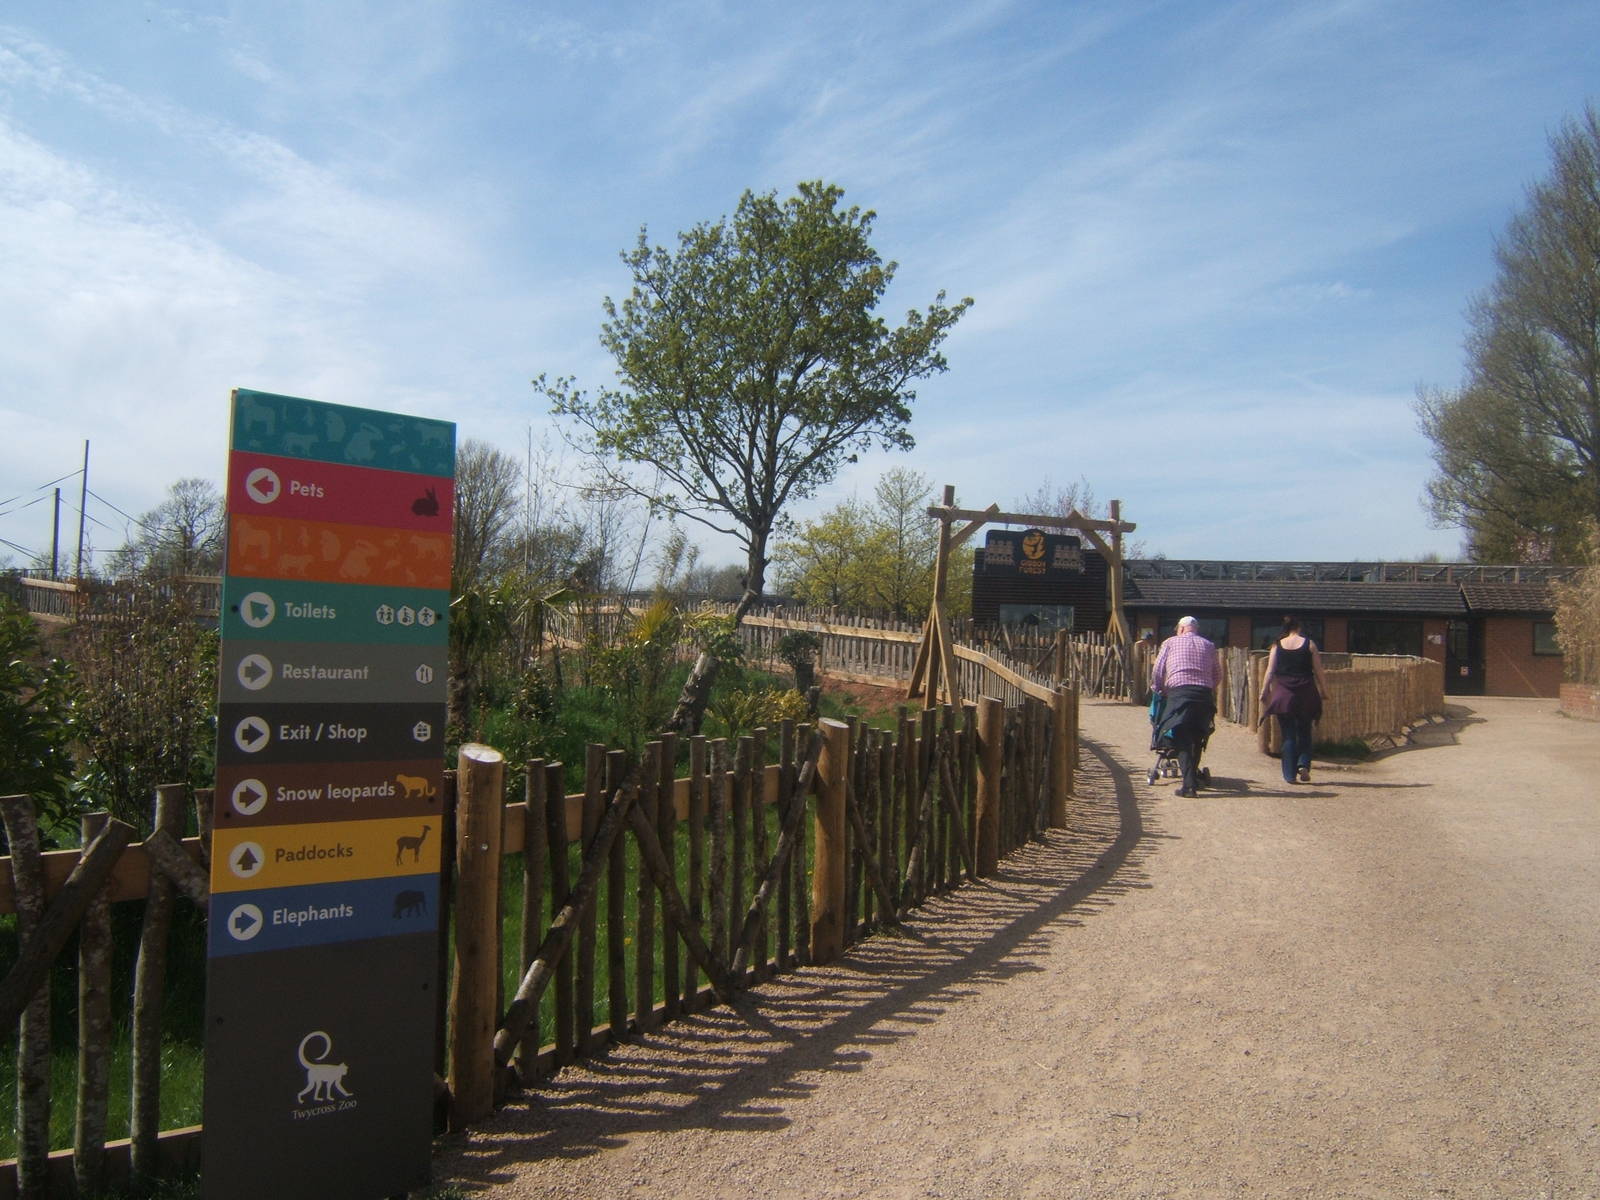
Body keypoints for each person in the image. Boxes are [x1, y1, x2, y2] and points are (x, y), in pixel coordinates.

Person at [1150, 616, 1219, 797]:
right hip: (1203, 695)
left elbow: (1158, 670)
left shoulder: (1170, 643)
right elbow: (1217, 675)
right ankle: (1192, 778)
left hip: (1180, 694)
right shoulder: (1209, 645)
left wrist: (1158, 689)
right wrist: (1207, 688)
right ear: (1196, 629)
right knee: (1197, 737)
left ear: (1180, 629)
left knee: (1182, 738)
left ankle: (1189, 786)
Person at [1259, 615, 1328, 784]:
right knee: (1304, 730)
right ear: (1299, 627)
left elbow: (1270, 670)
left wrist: (1264, 690)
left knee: (1288, 735)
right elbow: (1318, 671)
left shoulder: (1277, 646)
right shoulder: (1309, 644)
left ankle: (1289, 775)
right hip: (1306, 692)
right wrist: (1324, 691)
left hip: (1284, 693)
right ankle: (1303, 764)